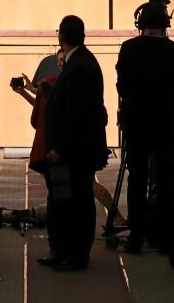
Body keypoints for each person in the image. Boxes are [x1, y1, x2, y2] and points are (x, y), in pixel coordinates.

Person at [115, 1, 174, 253]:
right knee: (166, 179)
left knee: (137, 178)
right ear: (165, 25)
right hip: (165, 121)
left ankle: (136, 236)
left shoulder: (128, 48)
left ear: (140, 25)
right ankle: (165, 238)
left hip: (136, 121)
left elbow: (121, 86)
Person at [41, 15, 108, 271]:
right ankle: (62, 250)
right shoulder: (78, 61)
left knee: (78, 202)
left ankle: (77, 255)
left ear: (61, 36)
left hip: (74, 151)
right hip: (71, 149)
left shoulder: (81, 65)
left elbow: (78, 115)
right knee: (63, 201)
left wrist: (60, 148)